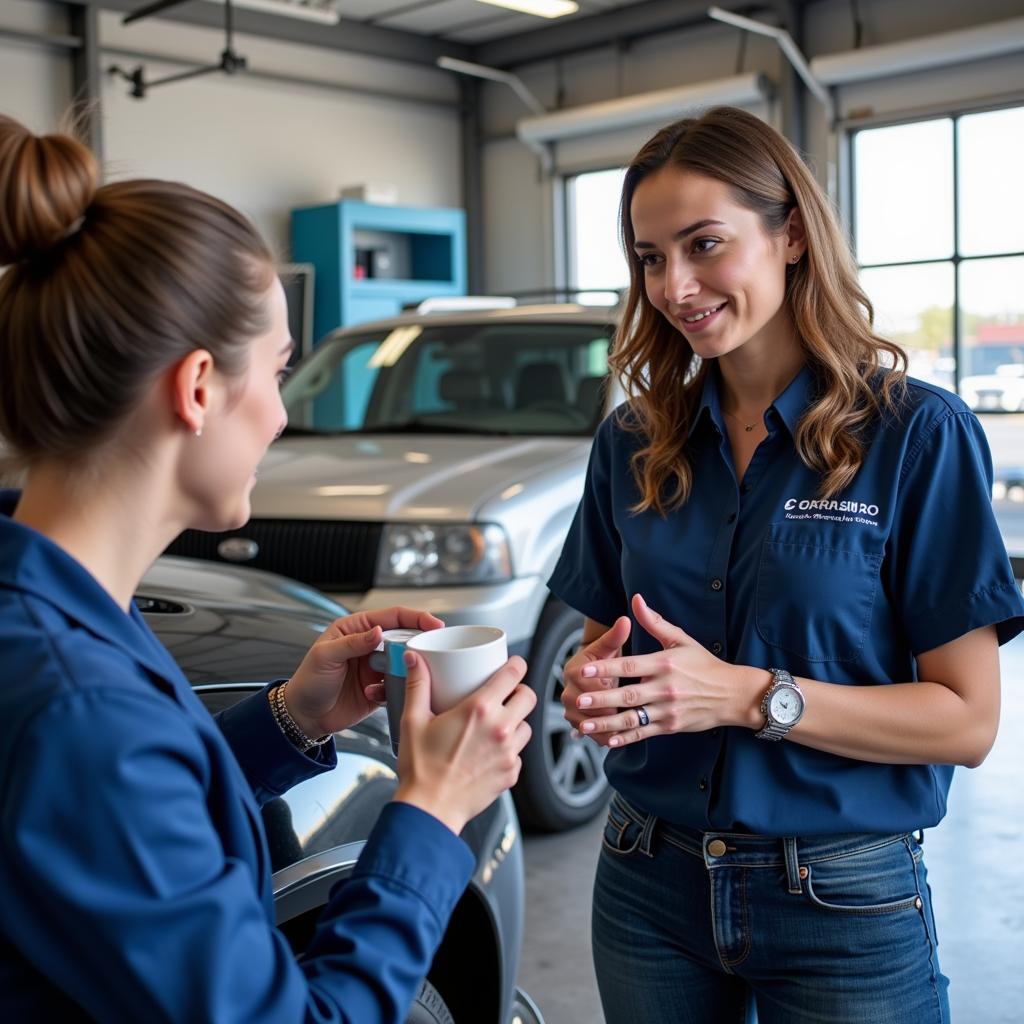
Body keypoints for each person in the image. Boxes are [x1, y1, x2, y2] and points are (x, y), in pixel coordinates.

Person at [0, 114, 535, 1022]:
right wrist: (433, 811)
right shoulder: (76, 703)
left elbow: (133, 836)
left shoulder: (58, 612)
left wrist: (291, 719)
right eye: (280, 372)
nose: (284, 416)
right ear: (199, 387)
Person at [549, 106, 1024, 1024]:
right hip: (648, 880)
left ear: (792, 234)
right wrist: (590, 681)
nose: (675, 285)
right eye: (650, 257)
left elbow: (966, 722)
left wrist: (743, 695)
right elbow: (595, 640)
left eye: (705, 244)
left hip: (842, 898)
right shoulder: (634, 442)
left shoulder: (915, 436)